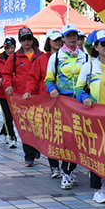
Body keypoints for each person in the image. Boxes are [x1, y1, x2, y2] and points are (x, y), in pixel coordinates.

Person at [75, 30, 105, 204]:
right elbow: (78, 88)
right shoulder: (89, 66)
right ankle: (97, 189)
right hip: (95, 115)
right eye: (103, 43)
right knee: (96, 151)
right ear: (96, 46)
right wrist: (84, 98)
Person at [45, 23, 89, 188]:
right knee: (66, 137)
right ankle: (65, 172)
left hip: (80, 102)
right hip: (63, 102)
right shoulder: (56, 57)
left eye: (74, 35)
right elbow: (49, 79)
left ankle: (71, 170)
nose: (72, 39)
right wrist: (52, 89)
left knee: (78, 137)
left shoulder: (85, 57)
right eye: (69, 36)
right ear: (63, 38)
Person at [23, 28, 63, 178]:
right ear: (48, 42)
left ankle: (68, 168)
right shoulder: (42, 59)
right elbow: (32, 78)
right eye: (54, 40)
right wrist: (28, 91)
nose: (58, 42)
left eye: (59, 39)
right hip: (47, 103)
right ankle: (54, 167)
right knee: (51, 135)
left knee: (65, 135)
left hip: (66, 103)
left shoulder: (68, 57)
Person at [2, 27, 44, 165]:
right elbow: (6, 74)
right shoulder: (15, 57)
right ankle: (29, 155)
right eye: (23, 39)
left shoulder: (41, 56)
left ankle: (36, 147)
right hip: (21, 98)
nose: (27, 42)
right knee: (26, 126)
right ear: (20, 41)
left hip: (38, 96)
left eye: (29, 38)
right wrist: (8, 85)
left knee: (38, 125)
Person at [0, 37, 18, 147]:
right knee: (7, 115)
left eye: (12, 48)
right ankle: (12, 137)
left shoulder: (18, 58)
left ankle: (3, 132)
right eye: (7, 48)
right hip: (2, 92)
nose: (9, 50)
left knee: (12, 115)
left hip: (16, 91)